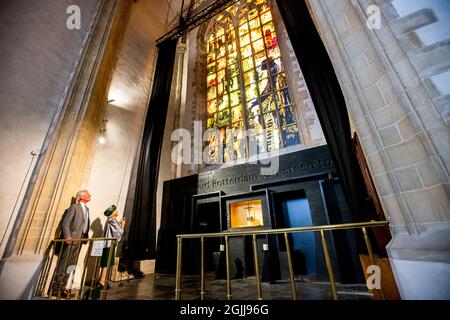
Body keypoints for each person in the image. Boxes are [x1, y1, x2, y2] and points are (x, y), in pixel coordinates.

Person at [49, 190, 91, 298]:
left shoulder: (86, 209)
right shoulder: (74, 207)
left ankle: (64, 288)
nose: (90, 196)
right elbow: (65, 223)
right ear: (81, 197)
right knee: (64, 264)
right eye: (88, 194)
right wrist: (67, 236)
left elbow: (85, 225)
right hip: (71, 240)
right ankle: (55, 289)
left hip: (79, 241)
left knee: (71, 264)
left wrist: (85, 237)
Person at [98, 205, 125, 289]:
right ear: (113, 212)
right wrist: (123, 225)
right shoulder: (112, 220)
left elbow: (115, 230)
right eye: (116, 210)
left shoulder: (111, 220)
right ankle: (102, 281)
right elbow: (119, 232)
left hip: (108, 244)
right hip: (109, 244)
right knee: (106, 262)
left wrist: (119, 223)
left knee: (106, 262)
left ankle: (101, 280)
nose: (117, 211)